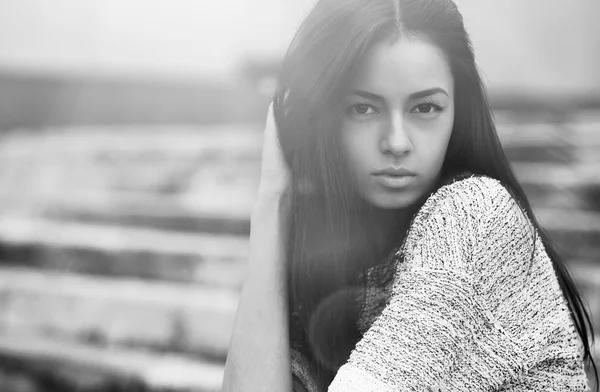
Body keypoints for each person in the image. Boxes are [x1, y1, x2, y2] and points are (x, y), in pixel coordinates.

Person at [222, 0, 598, 391]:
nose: (397, 143)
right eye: (363, 108)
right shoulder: (333, 255)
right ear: (320, 116)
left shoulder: (476, 217)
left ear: (458, 111)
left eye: (425, 107)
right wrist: (272, 199)